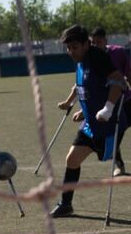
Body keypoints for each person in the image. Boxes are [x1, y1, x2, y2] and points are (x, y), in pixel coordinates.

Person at [49, 24, 124, 218]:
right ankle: (66, 204)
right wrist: (82, 110)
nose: (70, 51)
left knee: (107, 157)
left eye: (74, 47)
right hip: (90, 124)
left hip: (107, 125)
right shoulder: (80, 61)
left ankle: (119, 160)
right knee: (71, 159)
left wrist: (108, 108)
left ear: (85, 44)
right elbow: (86, 87)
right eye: (68, 48)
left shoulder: (97, 58)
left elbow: (118, 80)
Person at [89, 27, 131, 176]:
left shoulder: (118, 52)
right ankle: (119, 164)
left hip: (124, 95)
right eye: (92, 43)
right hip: (106, 101)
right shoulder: (90, 58)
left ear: (105, 41)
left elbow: (128, 73)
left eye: (98, 42)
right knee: (114, 135)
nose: (95, 45)